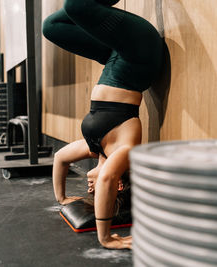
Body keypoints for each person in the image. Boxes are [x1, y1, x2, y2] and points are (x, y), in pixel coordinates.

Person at [43, 0, 163, 250]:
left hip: (114, 58)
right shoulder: (123, 153)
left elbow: (61, 158)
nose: (89, 188)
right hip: (140, 54)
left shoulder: (96, 148)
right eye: (95, 192)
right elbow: (107, 177)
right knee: (76, 5)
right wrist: (106, 237)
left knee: (51, 26)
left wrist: (62, 198)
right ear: (118, 184)